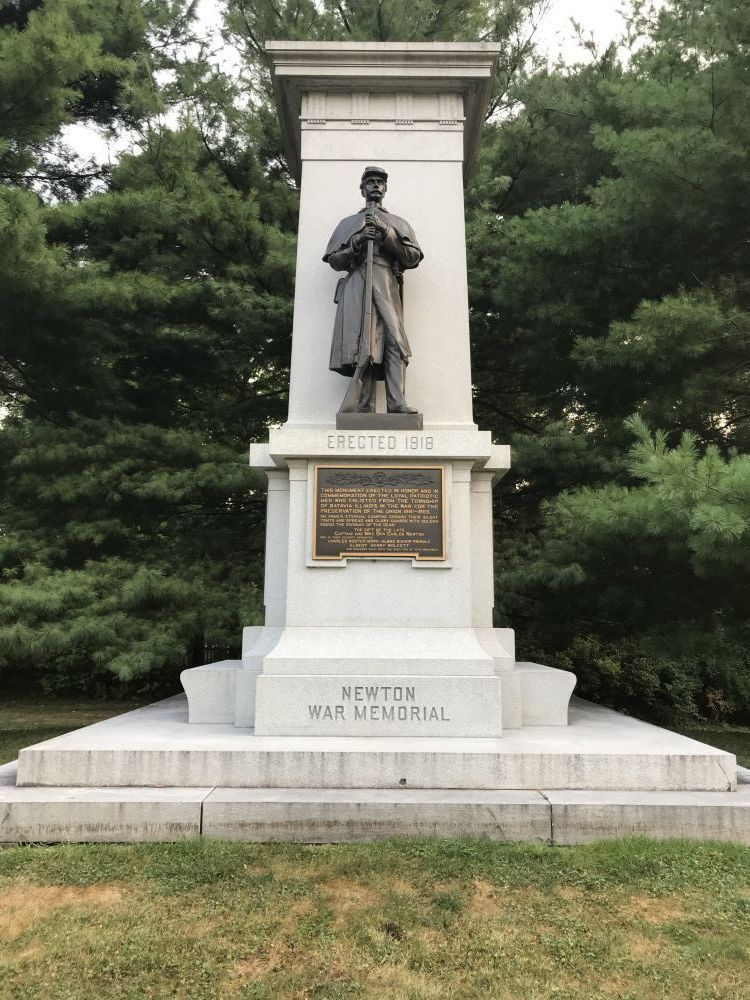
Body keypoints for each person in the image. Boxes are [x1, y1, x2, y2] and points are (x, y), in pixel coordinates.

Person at [323, 166, 423, 414]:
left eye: (380, 182)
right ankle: (363, 404)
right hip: (358, 282)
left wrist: (386, 232)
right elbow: (335, 260)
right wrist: (356, 241)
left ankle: (397, 403)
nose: (375, 185)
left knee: (394, 341)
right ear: (362, 188)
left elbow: (412, 257)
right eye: (370, 182)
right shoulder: (348, 223)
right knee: (364, 342)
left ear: (385, 188)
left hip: (386, 281)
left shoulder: (397, 223)